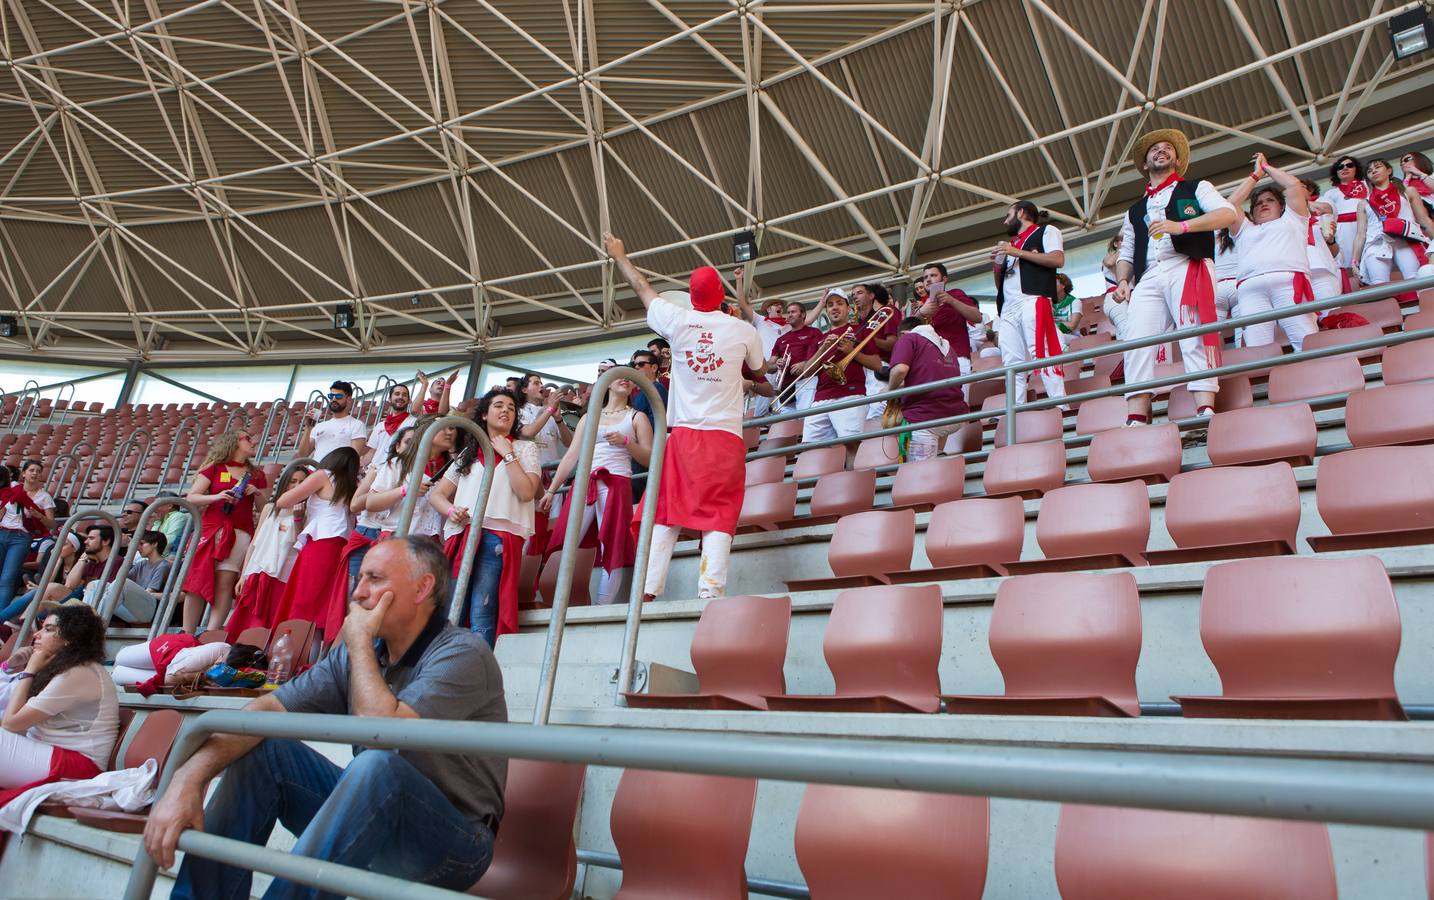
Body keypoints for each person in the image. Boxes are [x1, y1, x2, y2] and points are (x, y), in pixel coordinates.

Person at [145, 537, 508, 899]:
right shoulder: (359, 654)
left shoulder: (463, 652)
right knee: (264, 748)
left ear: (422, 587)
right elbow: (267, 710)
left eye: (374, 579)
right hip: (374, 816)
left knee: (377, 767)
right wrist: (186, 780)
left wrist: (361, 642)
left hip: (455, 846)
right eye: (359, 578)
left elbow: (380, 735)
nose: (358, 592)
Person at [605, 232, 765, 601]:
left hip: (685, 435)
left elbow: (644, 288)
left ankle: (647, 591)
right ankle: (711, 593)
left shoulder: (677, 321)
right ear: (722, 296)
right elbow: (759, 367)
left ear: (691, 297)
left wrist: (620, 255)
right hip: (726, 437)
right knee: (720, 515)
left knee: (666, 511)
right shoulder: (741, 328)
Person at [1111, 128, 1237, 425]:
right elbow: (1125, 253)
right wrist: (1122, 281)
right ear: (1145, 164)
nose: (1161, 150)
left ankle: (1205, 409)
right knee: (1136, 341)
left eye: (1167, 148)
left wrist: (1180, 227)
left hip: (1186, 263)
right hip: (1149, 275)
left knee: (1193, 334)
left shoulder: (1196, 187)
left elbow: (1227, 214)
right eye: (1154, 149)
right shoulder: (1134, 210)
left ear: (1177, 159)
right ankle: (1137, 416)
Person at [429, 389, 542, 646]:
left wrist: (508, 453)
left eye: (512, 408)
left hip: (498, 538)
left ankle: (477, 677)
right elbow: (438, 495)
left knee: (483, 610)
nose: (506, 411)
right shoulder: (468, 452)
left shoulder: (525, 448)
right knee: (452, 611)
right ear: (483, 413)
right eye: (499, 405)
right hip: (462, 535)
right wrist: (451, 510)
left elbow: (527, 492)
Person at [538, 370, 653, 606]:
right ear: (606, 385)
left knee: (611, 544)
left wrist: (627, 443)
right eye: (618, 375)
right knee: (567, 540)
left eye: (629, 377)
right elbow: (571, 456)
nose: (625, 378)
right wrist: (551, 490)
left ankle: (602, 606)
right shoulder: (589, 416)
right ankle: (558, 600)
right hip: (584, 482)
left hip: (617, 482)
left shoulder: (636, 417)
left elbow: (650, 457)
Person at [1, 605, 120, 796]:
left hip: (79, 766)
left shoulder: (80, 672)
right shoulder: (63, 667)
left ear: (70, 638)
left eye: (48, 629)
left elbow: (11, 724)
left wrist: (29, 670)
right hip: (52, 754)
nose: (37, 635)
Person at [1225, 153, 1319, 352]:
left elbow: (1294, 186)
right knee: (1258, 349)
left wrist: (1267, 167)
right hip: (1250, 290)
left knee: (1306, 340)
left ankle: (1317, 380)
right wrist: (1255, 175)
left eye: (1270, 200)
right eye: (1258, 203)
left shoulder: (1293, 219)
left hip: (1288, 282)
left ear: (1282, 206)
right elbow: (1229, 205)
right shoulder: (1244, 229)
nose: (1264, 204)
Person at [179, 431, 268, 635]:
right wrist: (217, 497)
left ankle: (212, 632)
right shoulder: (214, 468)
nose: (252, 440)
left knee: (226, 582)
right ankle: (187, 632)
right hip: (212, 529)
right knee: (197, 581)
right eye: (247, 438)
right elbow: (192, 497)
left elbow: (265, 509)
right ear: (233, 443)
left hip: (240, 532)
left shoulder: (256, 474)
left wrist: (257, 493)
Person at [271, 447, 360, 643]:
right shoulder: (353, 485)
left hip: (321, 542)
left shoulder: (324, 475)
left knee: (306, 601)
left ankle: (297, 654)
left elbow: (283, 501)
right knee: (322, 605)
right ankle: (311, 657)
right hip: (339, 544)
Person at [992, 200, 1068, 406]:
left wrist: (1017, 253)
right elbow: (1001, 284)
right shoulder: (1012, 245)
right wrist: (997, 266)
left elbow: (1057, 259)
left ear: (1021, 213)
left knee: (1041, 352)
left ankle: (1060, 405)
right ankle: (1014, 414)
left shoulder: (1046, 231)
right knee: (1011, 362)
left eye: (1008, 215)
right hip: (1007, 307)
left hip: (1032, 299)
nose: (1005, 220)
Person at [224, 469, 305, 643]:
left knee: (270, 624)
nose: (297, 486)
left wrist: (299, 518)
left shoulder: (307, 511)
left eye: (302, 482)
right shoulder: (270, 508)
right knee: (244, 624)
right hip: (257, 571)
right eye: (293, 481)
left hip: (282, 574)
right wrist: (244, 574)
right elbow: (255, 542)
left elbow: (301, 543)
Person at [800, 289, 881, 444]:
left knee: (851, 446)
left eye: (839, 303)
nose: (834, 307)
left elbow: (877, 364)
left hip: (850, 395)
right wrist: (822, 349)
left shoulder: (860, 330)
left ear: (848, 308)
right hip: (820, 399)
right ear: (826, 310)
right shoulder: (819, 338)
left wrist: (852, 352)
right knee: (810, 449)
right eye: (830, 305)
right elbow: (806, 372)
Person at [887, 316, 971, 461]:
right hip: (954, 416)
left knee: (921, 476)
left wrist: (890, 391)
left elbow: (900, 370)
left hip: (925, 418)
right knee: (934, 470)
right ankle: (938, 455)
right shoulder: (947, 346)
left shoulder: (909, 339)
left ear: (902, 334)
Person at [1362, 156, 1432, 300]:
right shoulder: (1364, 203)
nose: (1373, 171)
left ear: (1389, 170)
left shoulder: (1408, 191)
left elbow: (1423, 219)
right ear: (1368, 178)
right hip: (1377, 243)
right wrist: (1355, 261)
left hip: (1406, 239)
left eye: (1378, 167)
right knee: (1379, 287)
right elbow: (1360, 234)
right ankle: (1389, 320)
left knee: (1414, 281)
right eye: (1369, 171)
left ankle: (1420, 316)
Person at [1, 459, 55, 617]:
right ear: (23, 473)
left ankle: (1, 617)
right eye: (31, 470)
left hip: (21, 537)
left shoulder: (44, 497)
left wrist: (39, 515)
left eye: (38, 471)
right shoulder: (11, 488)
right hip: (2, 531)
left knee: (7, 578)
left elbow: (51, 524)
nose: (35, 473)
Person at [733, 267, 790, 416]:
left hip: (784, 369)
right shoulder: (761, 320)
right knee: (762, 408)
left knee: (783, 406)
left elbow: (807, 319)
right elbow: (742, 304)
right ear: (768, 308)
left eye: (780, 305)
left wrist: (822, 302)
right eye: (776, 304)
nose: (779, 307)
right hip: (764, 368)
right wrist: (739, 280)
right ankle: (761, 435)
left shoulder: (789, 324)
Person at [1319, 154, 1372, 292]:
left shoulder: (1368, 185)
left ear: (1356, 169)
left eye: (1349, 165)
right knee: (1348, 262)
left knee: (1371, 258)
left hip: (1368, 225)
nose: (1345, 168)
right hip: (1344, 229)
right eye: (1340, 167)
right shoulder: (1330, 193)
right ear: (1335, 172)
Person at [920, 262, 983, 376]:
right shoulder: (922, 306)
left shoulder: (955, 293)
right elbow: (907, 332)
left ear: (944, 279)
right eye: (925, 277)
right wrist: (920, 313)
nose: (928, 279)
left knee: (960, 394)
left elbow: (977, 317)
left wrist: (952, 301)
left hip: (958, 357)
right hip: (931, 362)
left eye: (933, 275)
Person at [768, 299, 825, 411]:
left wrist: (805, 364)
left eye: (793, 312)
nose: (789, 315)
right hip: (784, 387)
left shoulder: (814, 332)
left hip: (806, 382)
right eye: (788, 312)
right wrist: (777, 364)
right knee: (785, 422)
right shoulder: (781, 339)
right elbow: (769, 366)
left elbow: (821, 356)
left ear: (803, 314)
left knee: (805, 418)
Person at [298, 381, 369, 462]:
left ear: (348, 399)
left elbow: (353, 458)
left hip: (337, 472)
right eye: (331, 396)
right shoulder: (320, 426)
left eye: (338, 396)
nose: (334, 399)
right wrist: (308, 428)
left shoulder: (357, 425)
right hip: (315, 469)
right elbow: (303, 455)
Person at [364, 381, 417, 469]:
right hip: (374, 470)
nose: (400, 397)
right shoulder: (380, 425)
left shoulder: (414, 423)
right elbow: (372, 452)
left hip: (396, 472)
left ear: (409, 400)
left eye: (404, 395)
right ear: (389, 399)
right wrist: (361, 465)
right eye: (397, 394)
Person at [1401, 152, 1434, 232]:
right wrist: (1407, 178)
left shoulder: (1431, 176)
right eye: (1401, 163)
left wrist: (1418, 173)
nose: (1403, 163)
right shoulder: (1404, 184)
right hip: (1421, 224)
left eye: (1406, 160)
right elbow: (1401, 199)